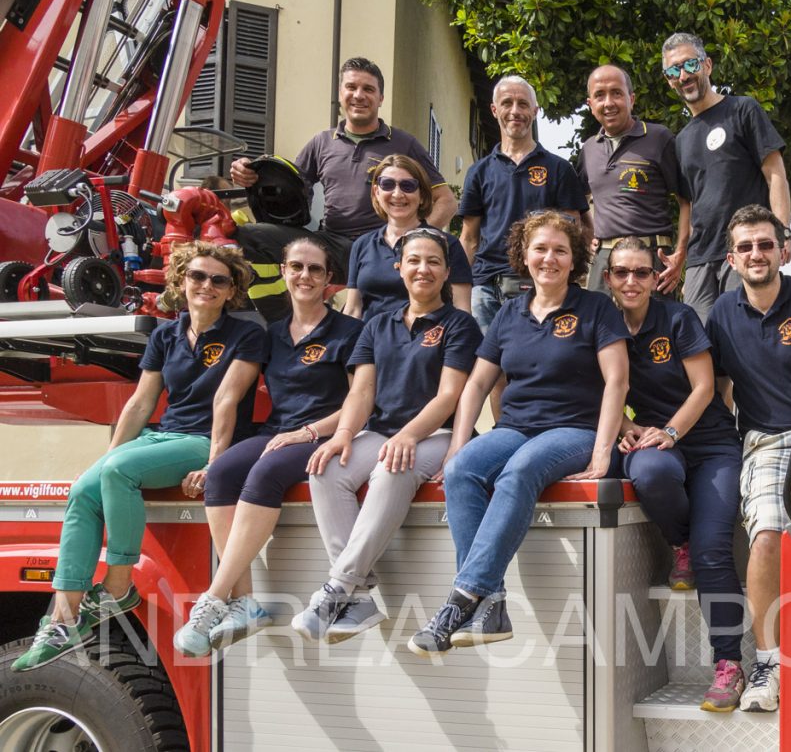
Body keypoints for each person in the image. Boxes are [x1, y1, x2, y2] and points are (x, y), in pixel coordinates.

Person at [12, 242, 265, 671]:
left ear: (231, 290)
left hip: (207, 441)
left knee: (117, 471)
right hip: (162, 438)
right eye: (198, 276)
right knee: (83, 490)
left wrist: (214, 465)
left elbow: (228, 400)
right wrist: (104, 462)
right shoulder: (166, 335)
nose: (207, 285)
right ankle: (63, 618)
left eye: (219, 280)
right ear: (182, 281)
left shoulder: (246, 335)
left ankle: (117, 583)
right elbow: (140, 403)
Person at [411, 212, 628, 654]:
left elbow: (617, 381)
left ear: (575, 259)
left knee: (518, 471)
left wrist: (603, 452)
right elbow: (476, 383)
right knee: (463, 472)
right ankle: (490, 601)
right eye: (540, 249)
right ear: (524, 256)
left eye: (560, 250)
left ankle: (462, 597)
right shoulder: (509, 312)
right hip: (517, 427)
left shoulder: (596, 308)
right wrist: (457, 444)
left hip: (574, 429)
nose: (549, 258)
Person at [172, 238, 363, 657]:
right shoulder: (271, 335)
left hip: (326, 434)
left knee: (265, 471)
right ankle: (245, 601)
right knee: (222, 475)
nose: (305, 276)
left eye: (315, 270)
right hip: (278, 431)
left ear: (329, 280)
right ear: (283, 272)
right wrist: (211, 458)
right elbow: (227, 393)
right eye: (297, 267)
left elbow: (360, 402)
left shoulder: (350, 331)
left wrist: (309, 432)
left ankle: (214, 597)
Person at [295, 228, 481, 644]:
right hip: (381, 431)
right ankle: (358, 596)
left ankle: (339, 586)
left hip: (437, 434)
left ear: (447, 272)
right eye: (414, 260)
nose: (423, 269)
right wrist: (342, 435)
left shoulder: (460, 325)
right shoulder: (377, 326)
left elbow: (450, 395)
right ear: (399, 268)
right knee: (326, 470)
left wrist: (410, 436)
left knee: (392, 470)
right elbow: (361, 392)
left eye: (434, 262)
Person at [704, 205, 791, 713]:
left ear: (783, 249)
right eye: (745, 247)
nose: (756, 254)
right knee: (766, 536)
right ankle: (769, 662)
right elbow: (718, 389)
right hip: (767, 443)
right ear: (731, 258)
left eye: (765, 244)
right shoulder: (721, 312)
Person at [604, 238, 747, 712]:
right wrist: (626, 429)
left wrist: (669, 430)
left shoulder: (678, 317)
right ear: (608, 278)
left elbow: (706, 386)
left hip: (708, 444)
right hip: (653, 442)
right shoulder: (600, 325)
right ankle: (678, 540)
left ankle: (728, 665)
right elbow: (597, 390)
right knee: (649, 472)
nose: (631, 281)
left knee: (713, 553)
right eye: (621, 272)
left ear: (655, 277)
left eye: (641, 272)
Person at [232, 57, 455, 316]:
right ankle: (281, 323)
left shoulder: (404, 143)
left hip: (381, 246)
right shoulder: (321, 143)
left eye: (368, 89)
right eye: (351, 87)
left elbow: (446, 200)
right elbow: (289, 189)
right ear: (341, 94)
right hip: (331, 245)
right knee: (251, 237)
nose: (358, 95)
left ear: (381, 98)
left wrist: (415, 240)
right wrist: (251, 176)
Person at [661, 32, 791, 322]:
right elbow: (688, 204)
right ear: (669, 81)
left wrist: (783, 232)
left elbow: (776, 175)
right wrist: (680, 254)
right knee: (699, 346)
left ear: (707, 65)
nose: (683, 75)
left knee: (744, 335)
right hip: (700, 259)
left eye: (690, 65)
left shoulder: (743, 109)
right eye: (674, 71)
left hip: (746, 249)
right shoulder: (681, 140)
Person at [458, 75, 589, 330]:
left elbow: (574, 231)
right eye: (507, 103)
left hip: (540, 284)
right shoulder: (479, 172)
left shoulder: (558, 168)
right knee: (488, 366)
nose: (515, 111)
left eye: (523, 104)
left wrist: (569, 281)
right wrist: (459, 287)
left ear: (535, 111)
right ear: (495, 110)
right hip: (485, 288)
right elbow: (469, 238)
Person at [578, 65, 690, 295]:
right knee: (600, 330)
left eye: (616, 93)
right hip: (604, 264)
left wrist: (680, 254)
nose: (608, 102)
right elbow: (575, 202)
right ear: (590, 104)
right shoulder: (589, 149)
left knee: (656, 331)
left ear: (631, 99)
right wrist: (587, 233)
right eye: (599, 95)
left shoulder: (660, 138)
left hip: (652, 258)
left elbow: (687, 200)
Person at [343, 154, 473, 319]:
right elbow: (353, 310)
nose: (397, 194)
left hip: (426, 340)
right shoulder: (362, 245)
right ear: (376, 191)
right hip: (371, 341)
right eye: (387, 185)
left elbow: (461, 310)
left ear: (422, 195)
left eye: (408, 186)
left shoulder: (447, 244)